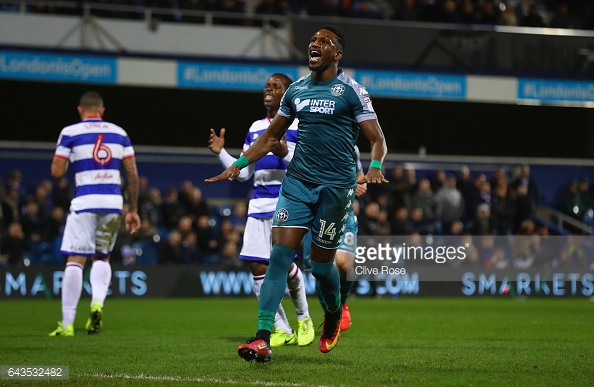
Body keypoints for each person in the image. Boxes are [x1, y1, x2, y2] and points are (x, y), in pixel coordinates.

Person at [205, 25, 388, 363]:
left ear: (338, 54)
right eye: (313, 40)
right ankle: (263, 337)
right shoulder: (297, 90)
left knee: (321, 267)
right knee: (278, 257)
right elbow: (272, 136)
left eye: (324, 42)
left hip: (336, 188)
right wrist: (239, 162)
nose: (314, 44)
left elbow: (377, 138)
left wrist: (375, 165)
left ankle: (332, 313)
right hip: (298, 184)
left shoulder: (352, 91)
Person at [207, 73, 314, 348]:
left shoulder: (301, 124)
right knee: (257, 264)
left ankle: (304, 318)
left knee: (282, 264)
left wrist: (284, 153)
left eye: (276, 86)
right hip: (257, 205)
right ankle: (281, 328)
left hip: (287, 202)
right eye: (267, 85)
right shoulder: (255, 127)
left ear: (288, 93)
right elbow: (244, 173)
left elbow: (308, 165)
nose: (269, 88)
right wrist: (221, 153)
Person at [48, 91, 141, 337]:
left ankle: (67, 324)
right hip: (113, 202)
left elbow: (57, 172)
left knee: (75, 260)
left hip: (85, 201)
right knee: (102, 257)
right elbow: (132, 175)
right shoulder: (120, 133)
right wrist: (132, 209)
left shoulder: (70, 132)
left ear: (80, 110)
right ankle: (97, 303)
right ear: (102, 110)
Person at [301, 145, 367, 332]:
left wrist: (360, 183)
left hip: (342, 212)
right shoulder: (308, 141)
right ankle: (332, 314)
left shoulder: (351, 146)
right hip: (315, 213)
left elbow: (360, 177)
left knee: (344, 264)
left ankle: (343, 302)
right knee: (319, 270)